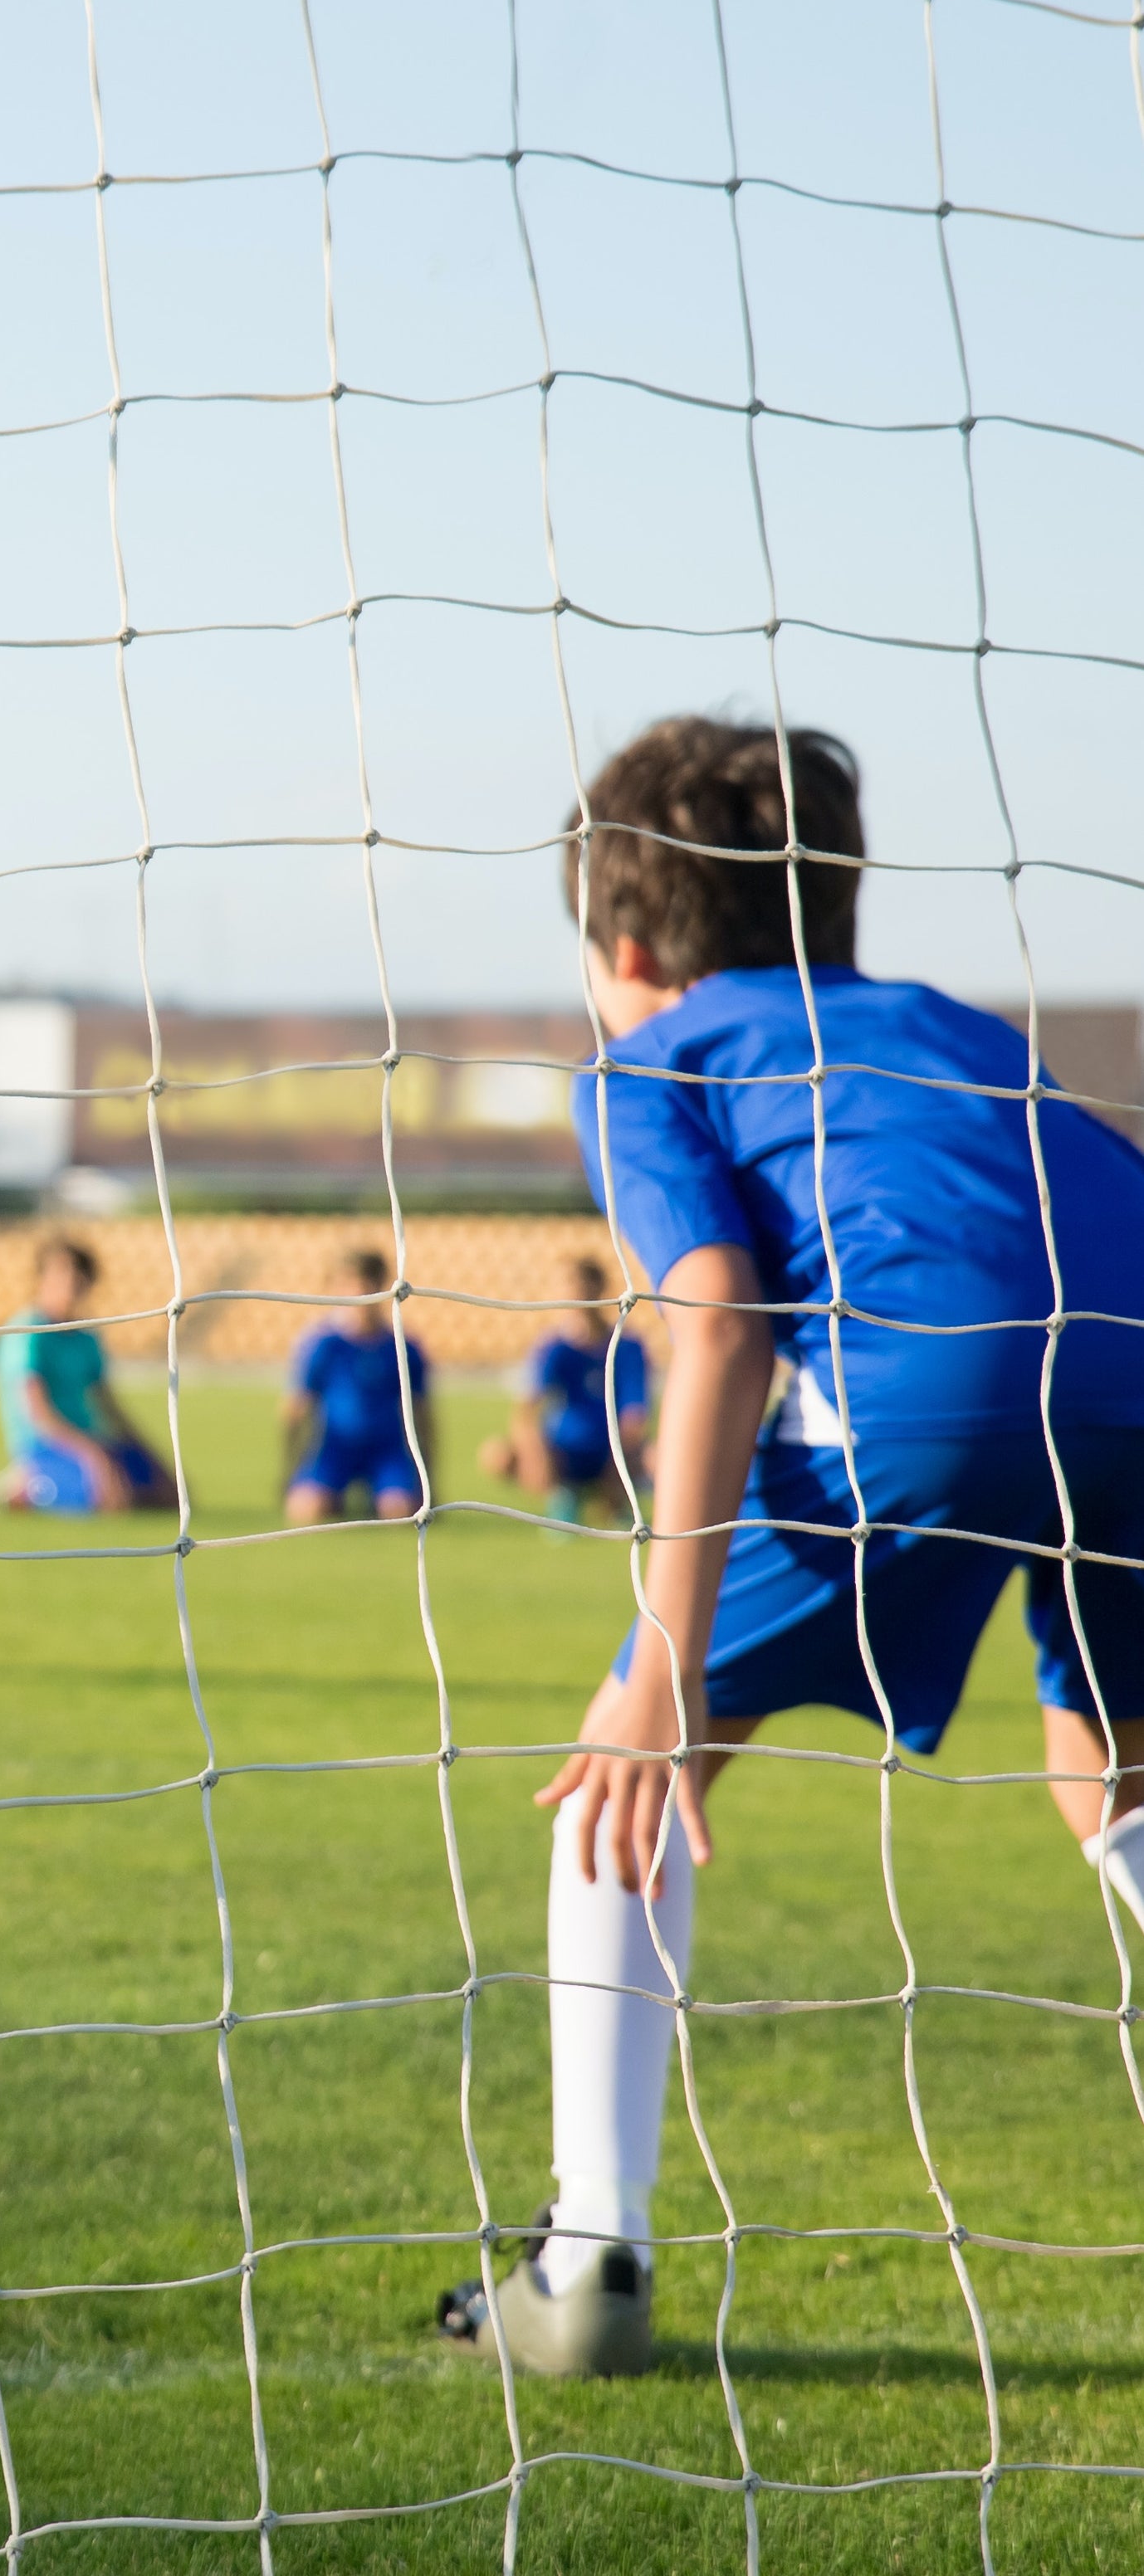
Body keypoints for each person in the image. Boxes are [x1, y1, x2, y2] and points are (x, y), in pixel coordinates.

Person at [438, 716, 1144, 2380]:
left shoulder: (650, 1058)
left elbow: (716, 1315)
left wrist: (659, 1661)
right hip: (1130, 1355)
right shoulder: (959, 1032)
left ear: (620, 950)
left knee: (627, 1756)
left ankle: (587, 2247)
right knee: (1112, 1783)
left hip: (935, 1382)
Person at [0, 1237, 172, 1515]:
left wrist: (150, 1454)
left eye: (79, 1273)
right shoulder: (28, 1332)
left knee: (170, 1496)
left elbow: (108, 1404)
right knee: (112, 1501)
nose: (72, 1281)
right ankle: (27, 1485)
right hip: (47, 1446)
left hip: (92, 1440)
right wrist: (92, 1456)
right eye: (62, 1272)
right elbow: (38, 1412)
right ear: (41, 1277)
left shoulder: (86, 1337)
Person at [477, 1254, 653, 1525]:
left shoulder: (626, 1346)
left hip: (611, 1451)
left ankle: (619, 1498)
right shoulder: (553, 1349)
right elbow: (526, 1411)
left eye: (580, 1285)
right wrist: (536, 1452)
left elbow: (635, 1416)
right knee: (497, 1454)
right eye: (567, 1286)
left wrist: (618, 1461)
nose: (574, 1293)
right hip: (563, 1452)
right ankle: (560, 1496)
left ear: (599, 1288)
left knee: (661, 1458)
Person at [281, 1248, 436, 1524]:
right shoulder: (323, 1345)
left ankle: (380, 1496)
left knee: (400, 1513)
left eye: (368, 1282)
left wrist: (430, 1479)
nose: (360, 1290)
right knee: (308, 1510)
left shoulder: (402, 1346)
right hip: (334, 1449)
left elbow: (423, 1412)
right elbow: (297, 1408)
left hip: (386, 1450)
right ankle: (334, 1497)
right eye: (351, 1282)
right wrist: (290, 1470)